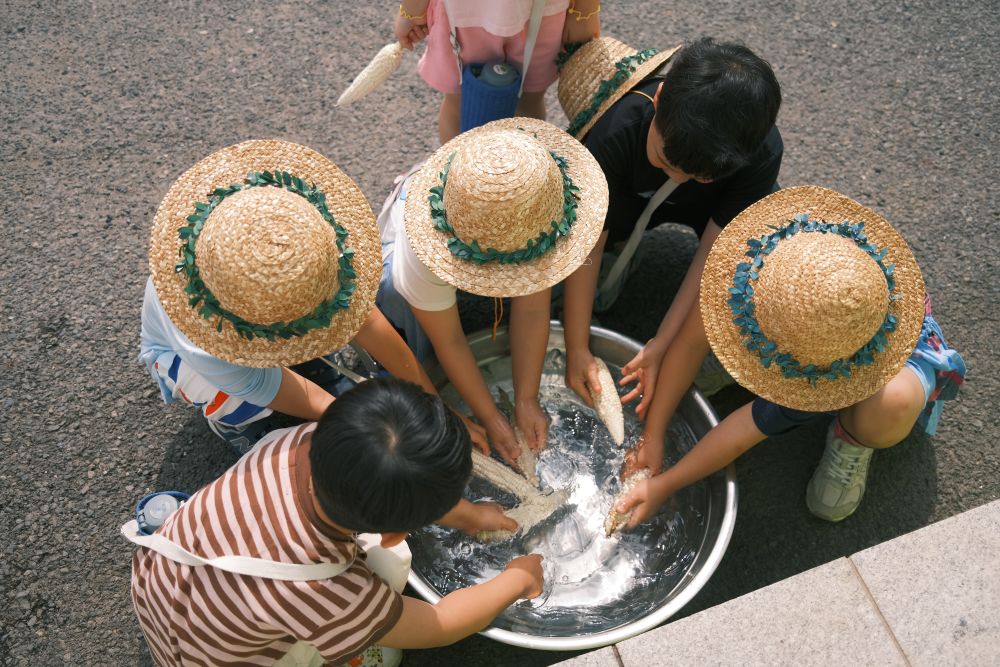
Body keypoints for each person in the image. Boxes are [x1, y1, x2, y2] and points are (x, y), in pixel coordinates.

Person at [129, 377, 541, 666]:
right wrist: (519, 579)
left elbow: (385, 477)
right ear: (396, 530)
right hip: (222, 659)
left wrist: (465, 514)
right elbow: (441, 624)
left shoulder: (297, 442)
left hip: (164, 584)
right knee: (391, 566)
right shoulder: (324, 589)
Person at [614, 186, 966, 524]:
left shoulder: (821, 370)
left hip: (884, 355)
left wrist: (664, 483)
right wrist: (652, 433)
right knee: (713, 333)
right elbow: (690, 341)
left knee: (892, 406)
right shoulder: (771, 265)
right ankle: (743, 361)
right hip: (813, 314)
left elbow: (742, 432)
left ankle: (853, 437)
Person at [139, 139, 484, 454]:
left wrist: (434, 406)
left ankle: (302, 354)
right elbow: (303, 397)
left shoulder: (302, 246)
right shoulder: (207, 341)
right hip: (190, 362)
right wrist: (390, 427)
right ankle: (236, 421)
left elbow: (366, 322)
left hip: (263, 308)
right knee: (246, 400)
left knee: (326, 332)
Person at [553, 36, 783, 411]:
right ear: (657, 100)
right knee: (574, 258)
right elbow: (588, 243)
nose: (678, 176)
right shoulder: (617, 131)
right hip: (627, 192)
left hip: (711, 206)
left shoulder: (759, 154)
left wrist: (664, 341)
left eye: (696, 175)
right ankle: (620, 256)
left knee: (751, 265)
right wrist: (577, 346)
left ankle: (704, 355)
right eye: (666, 161)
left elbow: (714, 254)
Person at [375, 117, 609, 465]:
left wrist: (526, 399)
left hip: (505, 225)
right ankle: (415, 356)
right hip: (404, 261)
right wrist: (491, 417)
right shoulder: (427, 253)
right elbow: (450, 340)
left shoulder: (534, 209)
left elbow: (531, 310)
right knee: (399, 303)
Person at [394, 0, 601, 143]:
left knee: (524, 102)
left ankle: (519, 186)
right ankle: (456, 188)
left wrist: (412, 11)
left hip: (473, 14)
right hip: (466, 15)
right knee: (462, 101)